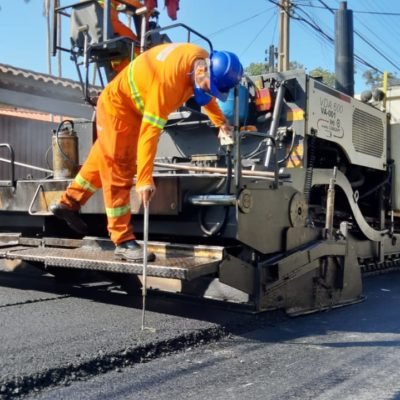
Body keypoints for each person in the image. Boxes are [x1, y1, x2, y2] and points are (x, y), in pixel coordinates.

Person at [50, 42, 243, 262]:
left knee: (101, 160)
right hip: (119, 108)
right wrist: (143, 179)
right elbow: (150, 132)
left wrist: (221, 123)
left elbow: (205, 96)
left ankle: (68, 203)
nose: (211, 93)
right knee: (119, 168)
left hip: (128, 106)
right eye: (211, 87)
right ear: (203, 70)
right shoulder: (168, 83)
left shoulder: (199, 59)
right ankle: (122, 240)